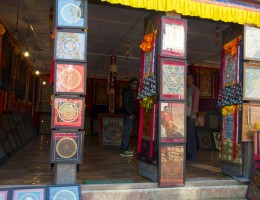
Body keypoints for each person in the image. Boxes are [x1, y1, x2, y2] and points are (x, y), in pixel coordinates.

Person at [120, 77, 139, 157]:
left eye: (137, 84)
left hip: (130, 114)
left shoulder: (131, 91)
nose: (136, 85)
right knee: (126, 132)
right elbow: (125, 103)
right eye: (134, 84)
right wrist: (130, 113)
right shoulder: (127, 90)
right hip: (128, 115)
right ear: (130, 83)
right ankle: (124, 151)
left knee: (128, 132)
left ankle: (126, 149)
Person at [186, 74, 200, 162]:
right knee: (186, 136)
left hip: (191, 116)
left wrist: (193, 114)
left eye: (190, 78)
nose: (188, 80)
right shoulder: (187, 89)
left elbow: (196, 103)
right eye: (187, 79)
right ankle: (187, 154)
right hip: (185, 115)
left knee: (191, 136)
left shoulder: (195, 89)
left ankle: (192, 155)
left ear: (193, 80)